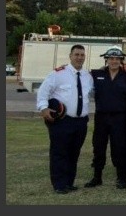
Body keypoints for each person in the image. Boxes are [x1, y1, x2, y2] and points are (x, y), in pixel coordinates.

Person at [36, 44, 94, 194]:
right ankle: (59, 184)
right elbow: (43, 92)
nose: (79, 57)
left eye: (82, 55)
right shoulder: (58, 74)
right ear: (70, 56)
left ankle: (69, 182)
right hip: (62, 121)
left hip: (81, 122)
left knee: (74, 153)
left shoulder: (88, 77)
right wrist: (43, 108)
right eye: (76, 54)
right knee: (59, 152)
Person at [85, 46, 126, 190]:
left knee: (119, 148)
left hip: (120, 118)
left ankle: (121, 178)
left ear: (121, 61)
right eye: (111, 58)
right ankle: (97, 177)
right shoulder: (96, 74)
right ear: (106, 60)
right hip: (101, 117)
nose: (114, 61)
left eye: (117, 59)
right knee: (98, 147)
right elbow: (80, 78)